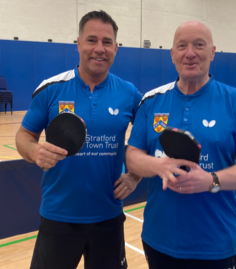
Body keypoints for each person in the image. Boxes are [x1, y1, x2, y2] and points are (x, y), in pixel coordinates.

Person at [126, 21, 236, 269]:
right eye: (182, 46)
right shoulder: (151, 101)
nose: (190, 53)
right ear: (172, 54)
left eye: (199, 45)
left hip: (215, 244)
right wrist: (159, 166)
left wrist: (211, 181)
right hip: (159, 240)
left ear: (212, 52)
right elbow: (132, 156)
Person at [15, 10, 142, 269]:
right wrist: (34, 151)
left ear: (116, 48)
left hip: (108, 218)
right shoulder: (51, 89)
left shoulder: (129, 94)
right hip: (58, 217)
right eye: (91, 40)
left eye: (107, 42)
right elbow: (24, 135)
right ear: (78, 44)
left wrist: (134, 176)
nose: (99, 49)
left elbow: (148, 140)